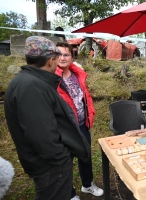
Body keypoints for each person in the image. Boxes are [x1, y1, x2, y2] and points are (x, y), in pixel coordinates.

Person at [4, 36, 91, 200]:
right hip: (50, 166)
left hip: (47, 163)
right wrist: (62, 159)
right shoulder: (31, 87)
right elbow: (41, 134)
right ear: (51, 61)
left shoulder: (29, 81)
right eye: (57, 58)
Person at [55, 41, 103, 200]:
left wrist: (91, 114)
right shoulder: (50, 78)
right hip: (64, 129)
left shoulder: (78, 74)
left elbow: (85, 97)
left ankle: (87, 185)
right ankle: (69, 194)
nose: (62, 58)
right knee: (65, 162)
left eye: (66, 54)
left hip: (82, 125)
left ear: (72, 57)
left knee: (85, 156)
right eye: (59, 54)